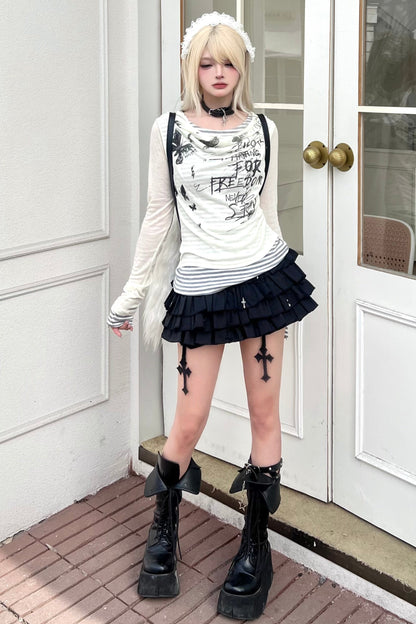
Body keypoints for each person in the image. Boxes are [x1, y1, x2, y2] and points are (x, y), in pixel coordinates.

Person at [107, 11, 317, 621]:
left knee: (264, 413)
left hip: (262, 280)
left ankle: (256, 543)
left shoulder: (265, 129)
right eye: (206, 63)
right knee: (189, 419)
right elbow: (158, 215)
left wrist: (282, 286)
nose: (218, 73)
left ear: (242, 66)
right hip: (200, 288)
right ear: (191, 69)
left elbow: (268, 213)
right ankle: (164, 525)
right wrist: (132, 291)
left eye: (228, 62)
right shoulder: (168, 129)